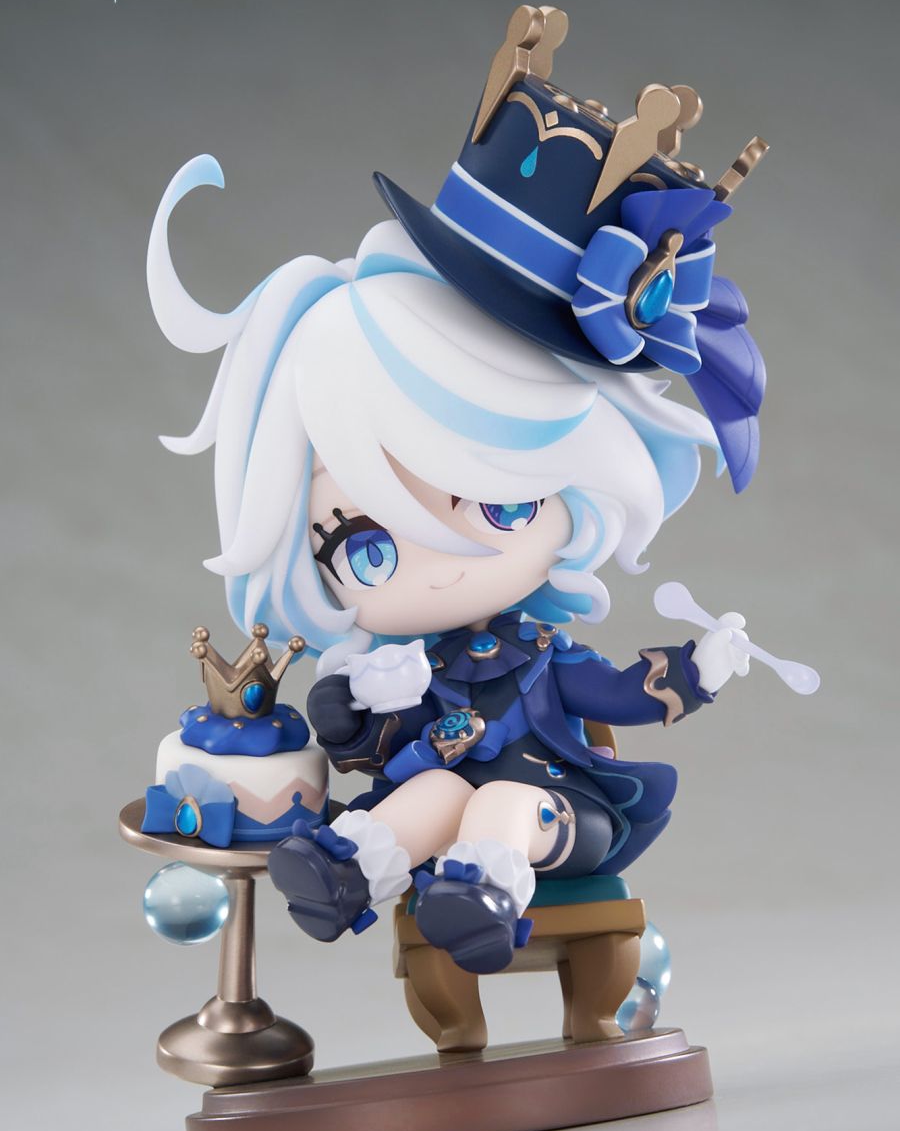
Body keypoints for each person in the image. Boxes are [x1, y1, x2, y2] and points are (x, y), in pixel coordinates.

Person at [148, 157, 751, 974]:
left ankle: (483, 894)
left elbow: (620, 694)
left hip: (559, 813)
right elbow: (358, 741)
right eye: (370, 547)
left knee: (498, 802)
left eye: (502, 504)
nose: (442, 566)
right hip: (443, 798)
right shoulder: (411, 668)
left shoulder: (545, 658)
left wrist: (699, 669)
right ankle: (349, 869)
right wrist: (359, 693)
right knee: (432, 794)